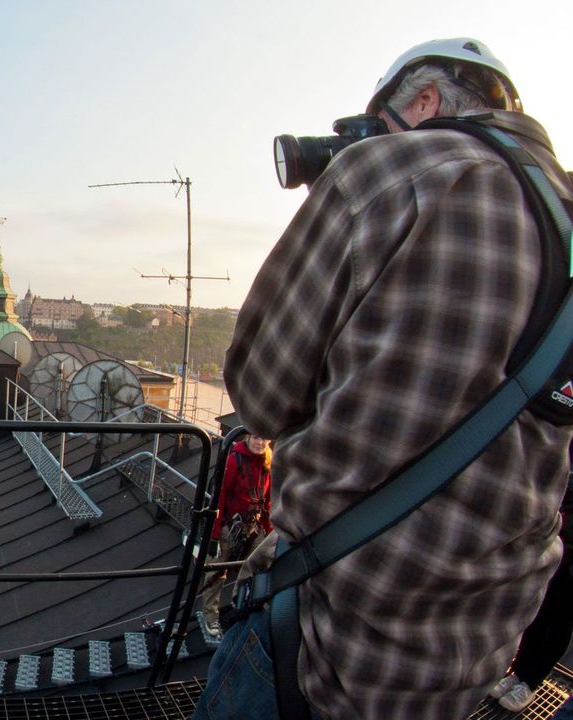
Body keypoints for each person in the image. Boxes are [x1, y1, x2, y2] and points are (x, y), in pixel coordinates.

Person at [194, 38, 573, 720]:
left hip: (318, 651)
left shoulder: (390, 170)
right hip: (465, 663)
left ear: (425, 101)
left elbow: (260, 394)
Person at [489, 472, 573, 711]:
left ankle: (530, 681)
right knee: (540, 611)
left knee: (559, 622)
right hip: (562, 542)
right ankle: (517, 673)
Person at [198, 435, 272, 641]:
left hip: (254, 525)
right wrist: (213, 536)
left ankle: (242, 605)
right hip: (230, 526)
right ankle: (210, 616)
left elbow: (267, 500)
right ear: (248, 438)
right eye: (256, 437)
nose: (260, 442)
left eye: (264, 438)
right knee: (217, 570)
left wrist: (269, 530)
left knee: (260, 564)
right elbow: (219, 497)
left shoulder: (267, 460)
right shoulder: (234, 460)